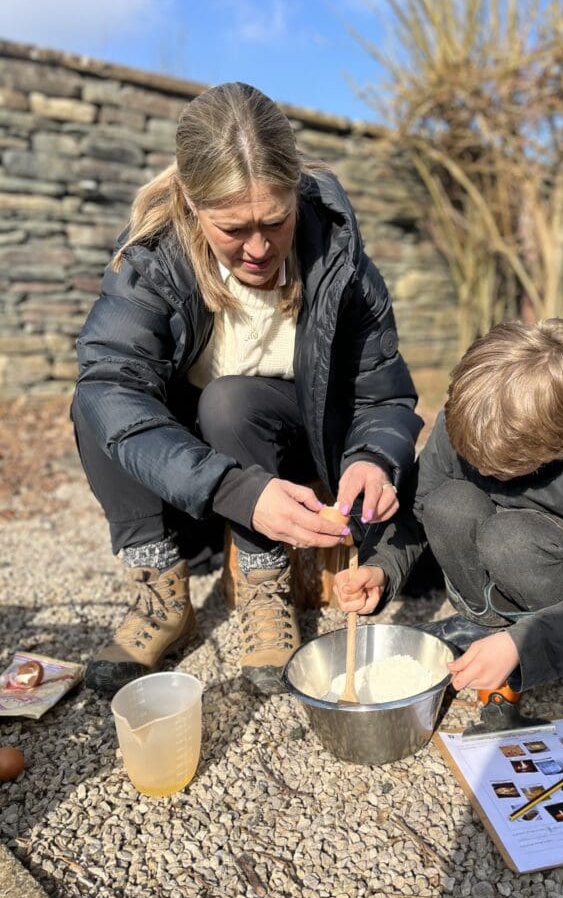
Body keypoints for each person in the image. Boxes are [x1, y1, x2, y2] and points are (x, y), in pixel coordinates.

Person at [72, 81, 422, 697]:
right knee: (96, 401)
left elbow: (382, 396)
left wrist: (372, 458)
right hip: (201, 465)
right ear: (190, 201)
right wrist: (231, 488)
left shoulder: (341, 258)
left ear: (296, 195)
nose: (258, 249)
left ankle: (265, 584)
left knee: (231, 399)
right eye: (233, 229)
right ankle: (162, 591)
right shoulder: (153, 259)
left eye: (275, 222)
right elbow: (109, 381)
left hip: (293, 439)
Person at [333, 319, 563, 723]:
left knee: (510, 540)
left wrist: (521, 646)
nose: (479, 469)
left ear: (559, 445)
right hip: (495, 552)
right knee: (446, 504)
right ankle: (482, 623)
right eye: (472, 458)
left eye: (497, 468)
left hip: (560, 585)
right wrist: (381, 568)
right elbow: (416, 512)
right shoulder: (471, 418)